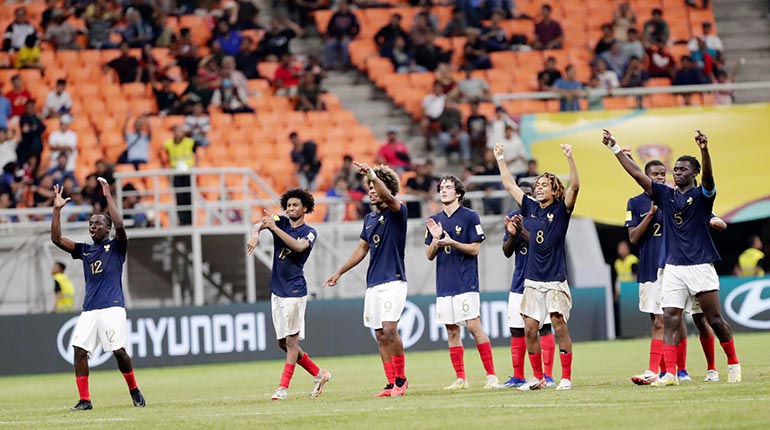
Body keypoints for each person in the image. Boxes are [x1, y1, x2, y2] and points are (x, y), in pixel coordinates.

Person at [602, 129, 741, 386]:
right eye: (675, 169)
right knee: (670, 318)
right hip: (673, 267)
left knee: (714, 320)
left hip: (700, 265)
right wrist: (615, 148)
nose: (676, 172)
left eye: (682, 169)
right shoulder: (665, 196)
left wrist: (704, 150)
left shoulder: (702, 197)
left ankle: (732, 362)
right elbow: (636, 174)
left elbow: (709, 178)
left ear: (694, 173)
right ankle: (669, 375)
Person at [624, 157, 726, 385]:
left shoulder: (674, 197)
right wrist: (650, 214)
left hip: (687, 264)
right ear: (647, 176)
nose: (660, 178)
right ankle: (664, 371)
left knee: (701, 319)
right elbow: (633, 238)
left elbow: (703, 213)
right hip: (653, 268)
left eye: (663, 174)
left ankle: (707, 368)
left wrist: (714, 219)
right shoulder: (638, 202)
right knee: (664, 320)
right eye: (655, 175)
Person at [50, 177, 145, 410]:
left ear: (108, 228)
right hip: (89, 309)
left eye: (98, 224)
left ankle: (134, 389)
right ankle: (85, 400)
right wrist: (56, 210)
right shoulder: (85, 250)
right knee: (79, 350)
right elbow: (56, 239)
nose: (92, 226)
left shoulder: (116, 246)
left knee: (118, 351)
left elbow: (121, 226)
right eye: (90, 223)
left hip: (112, 306)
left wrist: (108, 195)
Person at [494, 140, 580, 391]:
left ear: (554, 190)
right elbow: (509, 184)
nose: (539, 188)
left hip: (555, 279)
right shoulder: (530, 207)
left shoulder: (562, 210)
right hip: (531, 280)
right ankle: (538, 377)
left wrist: (570, 157)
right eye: (537, 185)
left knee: (557, 323)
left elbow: (575, 185)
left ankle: (565, 377)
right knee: (530, 329)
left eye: (544, 185)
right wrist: (499, 158)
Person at [323, 163, 409, 397]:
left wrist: (372, 174)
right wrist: (340, 272)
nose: (370, 191)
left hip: (394, 280)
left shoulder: (397, 211)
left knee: (390, 330)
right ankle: (391, 383)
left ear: (385, 189)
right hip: (374, 283)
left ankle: (402, 379)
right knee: (380, 334)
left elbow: (389, 197)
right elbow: (361, 249)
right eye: (368, 187)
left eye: (374, 187)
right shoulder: (370, 219)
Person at [246, 189, 331, 401]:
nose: (291, 208)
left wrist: (274, 228)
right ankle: (320, 374)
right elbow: (262, 222)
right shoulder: (280, 221)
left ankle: (283, 388)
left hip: (294, 290)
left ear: (305, 208)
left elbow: (299, 247)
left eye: (295, 205)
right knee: (283, 344)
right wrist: (256, 233)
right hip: (277, 289)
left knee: (291, 343)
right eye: (289, 205)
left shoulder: (309, 231)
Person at [424, 175, 500, 390]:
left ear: (458, 193)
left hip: (466, 282)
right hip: (444, 283)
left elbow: (475, 249)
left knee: (474, 326)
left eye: (449, 187)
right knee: (451, 331)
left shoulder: (470, 217)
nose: (444, 190)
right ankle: (460, 379)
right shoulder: (434, 220)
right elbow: (428, 254)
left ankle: (491, 375)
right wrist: (437, 241)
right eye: (442, 187)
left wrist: (452, 242)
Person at [501, 181, 558, 388]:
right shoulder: (515, 219)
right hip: (519, 282)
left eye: (527, 195)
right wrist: (513, 234)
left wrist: (523, 230)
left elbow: (542, 245)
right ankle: (518, 376)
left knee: (543, 329)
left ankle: (548, 375)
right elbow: (507, 251)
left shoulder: (545, 218)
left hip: (541, 281)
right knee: (517, 330)